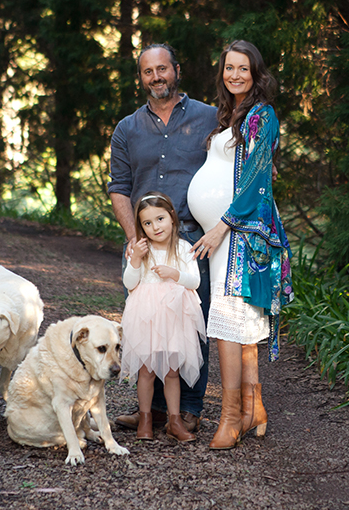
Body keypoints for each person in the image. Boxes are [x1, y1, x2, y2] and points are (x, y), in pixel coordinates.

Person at [187, 39, 294, 451]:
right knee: (238, 326)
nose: (235, 75)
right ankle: (253, 410)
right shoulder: (228, 115)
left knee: (230, 325)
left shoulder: (261, 116)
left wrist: (219, 228)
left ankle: (231, 416)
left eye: (243, 69)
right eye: (229, 68)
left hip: (242, 234)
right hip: (225, 234)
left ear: (256, 74)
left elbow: (255, 182)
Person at [108, 43, 217, 434]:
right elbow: (119, 187)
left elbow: (225, 173)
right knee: (145, 326)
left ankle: (187, 408)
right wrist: (136, 239)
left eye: (162, 69)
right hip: (143, 242)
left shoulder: (210, 118)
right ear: (141, 78)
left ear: (177, 69)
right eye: (148, 72)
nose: (156, 77)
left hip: (193, 239)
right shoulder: (127, 129)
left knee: (190, 326)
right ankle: (149, 410)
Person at [120, 192, 207, 443]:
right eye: (147, 223)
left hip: (172, 317)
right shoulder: (140, 249)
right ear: (141, 227)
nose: (155, 227)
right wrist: (135, 259)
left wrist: (174, 273)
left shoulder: (182, 248)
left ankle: (174, 420)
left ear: (171, 217)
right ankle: (145, 418)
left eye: (159, 219)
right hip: (146, 316)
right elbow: (130, 284)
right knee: (146, 371)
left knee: (171, 372)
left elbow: (195, 281)